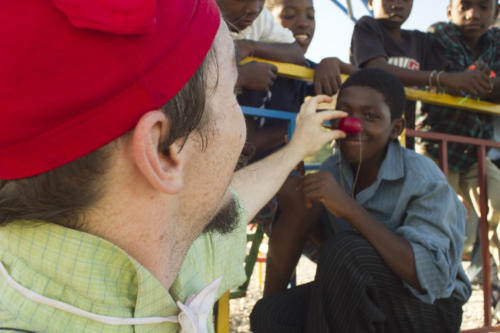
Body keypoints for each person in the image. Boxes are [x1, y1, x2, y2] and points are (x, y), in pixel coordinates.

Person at [0, 1, 347, 332]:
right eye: (230, 92)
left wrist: (297, 147)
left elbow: (238, 202)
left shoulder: (167, 249)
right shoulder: (174, 252)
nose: (241, 125)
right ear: (164, 150)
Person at [250, 68, 471, 333]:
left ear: (395, 128)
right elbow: (330, 254)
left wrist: (349, 209)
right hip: (364, 294)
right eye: (345, 113)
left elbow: (431, 280)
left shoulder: (424, 178)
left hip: (432, 309)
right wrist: (302, 209)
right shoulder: (331, 170)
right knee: (271, 313)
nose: (353, 125)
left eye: (371, 116)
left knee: (348, 250)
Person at [420, 0, 500, 312]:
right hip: (437, 145)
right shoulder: (439, 34)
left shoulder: (495, 41)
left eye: (483, 7)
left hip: (475, 148)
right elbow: (453, 75)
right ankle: (431, 301)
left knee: (498, 206)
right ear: (449, 11)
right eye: (465, 6)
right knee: (435, 221)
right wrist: (479, 81)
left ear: (495, 13)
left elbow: (467, 81)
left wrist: (473, 82)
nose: (473, 14)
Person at [350, 0, 493, 148]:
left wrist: (473, 77)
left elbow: (448, 82)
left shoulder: (420, 41)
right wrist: (440, 78)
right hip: (364, 134)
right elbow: (377, 70)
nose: (398, 4)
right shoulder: (367, 27)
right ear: (371, 2)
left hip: (402, 139)